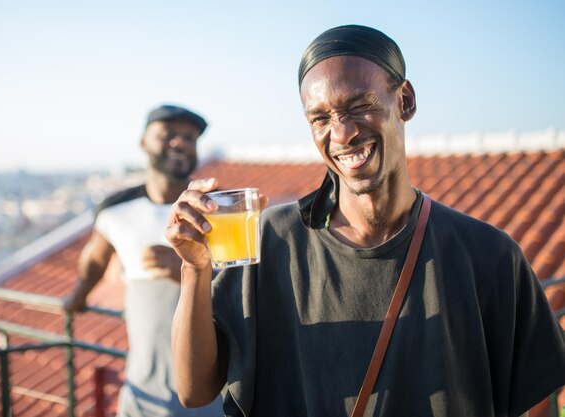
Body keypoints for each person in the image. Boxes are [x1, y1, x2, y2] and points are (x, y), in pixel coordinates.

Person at [166, 25, 565, 417]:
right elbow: (194, 390)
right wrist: (194, 267)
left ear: (404, 101)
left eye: (359, 106)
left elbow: (535, 406)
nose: (341, 133)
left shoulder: (488, 256)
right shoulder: (272, 242)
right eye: (320, 118)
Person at [64, 104, 223, 417]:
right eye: (168, 135)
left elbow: (249, 283)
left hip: (211, 395)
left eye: (190, 138)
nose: (181, 143)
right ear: (142, 142)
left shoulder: (218, 209)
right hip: (141, 395)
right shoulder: (115, 211)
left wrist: (191, 269)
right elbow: (95, 260)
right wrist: (76, 297)